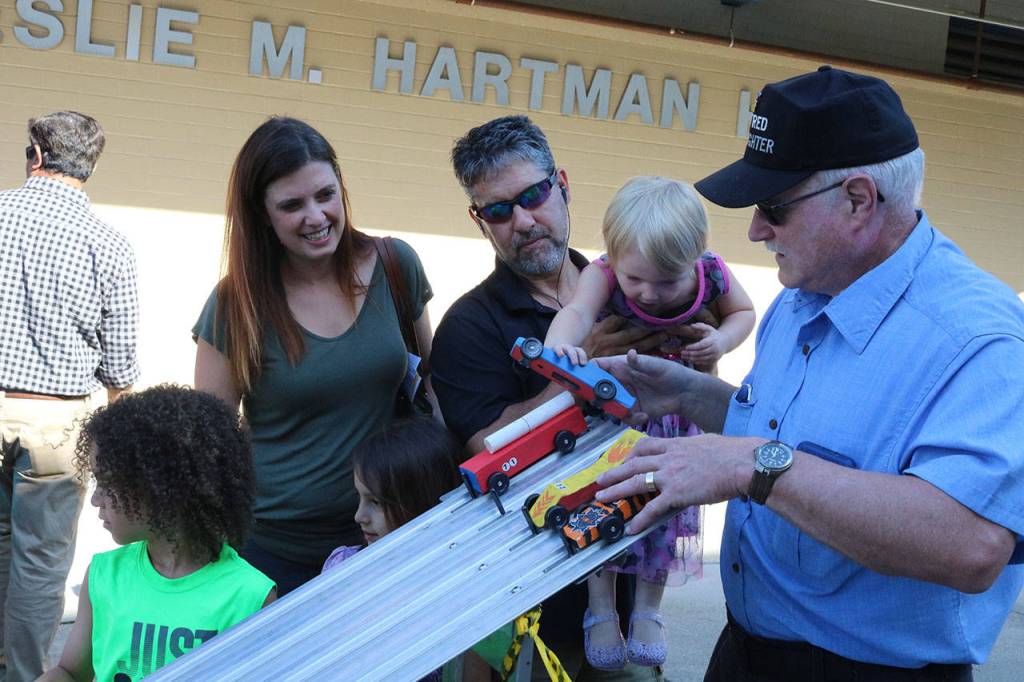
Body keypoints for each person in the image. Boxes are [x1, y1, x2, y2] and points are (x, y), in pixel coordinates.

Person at [594, 66, 1024, 681]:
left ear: (857, 200)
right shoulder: (807, 291)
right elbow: (777, 427)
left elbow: (971, 543)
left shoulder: (975, 337)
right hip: (748, 651)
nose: (755, 230)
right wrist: (688, 393)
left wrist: (751, 464)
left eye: (774, 207)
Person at [431, 114, 663, 681]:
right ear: (479, 220)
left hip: (633, 574)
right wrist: (578, 365)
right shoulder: (468, 326)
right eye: (498, 210)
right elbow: (489, 444)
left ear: (562, 184)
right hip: (532, 595)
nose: (523, 220)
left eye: (534, 195)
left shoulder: (629, 284)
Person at [193, 117, 434, 596]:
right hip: (272, 552)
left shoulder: (394, 265)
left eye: (325, 195)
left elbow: (435, 386)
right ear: (261, 213)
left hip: (387, 537)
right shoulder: (234, 305)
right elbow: (209, 446)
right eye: (291, 205)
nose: (316, 216)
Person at [544, 176, 755, 670]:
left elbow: (743, 312)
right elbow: (575, 313)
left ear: (697, 258)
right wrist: (563, 350)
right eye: (636, 279)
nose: (649, 293)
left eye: (667, 281)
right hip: (616, 421)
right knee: (602, 500)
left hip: (676, 422)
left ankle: (647, 612)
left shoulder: (714, 275)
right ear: (614, 257)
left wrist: (723, 340)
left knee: (664, 511)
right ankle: (600, 609)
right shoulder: (604, 274)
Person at [0, 111, 139, 681]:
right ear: (92, 166)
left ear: (35, 154)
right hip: (58, 424)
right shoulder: (108, 243)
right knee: (38, 567)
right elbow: (121, 359)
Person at [40, 385, 275, 681]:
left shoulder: (250, 596)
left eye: (107, 484)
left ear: (160, 491)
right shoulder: (103, 574)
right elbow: (70, 673)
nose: (95, 499)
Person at [322, 416, 493, 682]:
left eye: (376, 502)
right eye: (360, 497)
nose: (359, 516)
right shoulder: (342, 568)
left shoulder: (462, 592)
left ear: (421, 504)